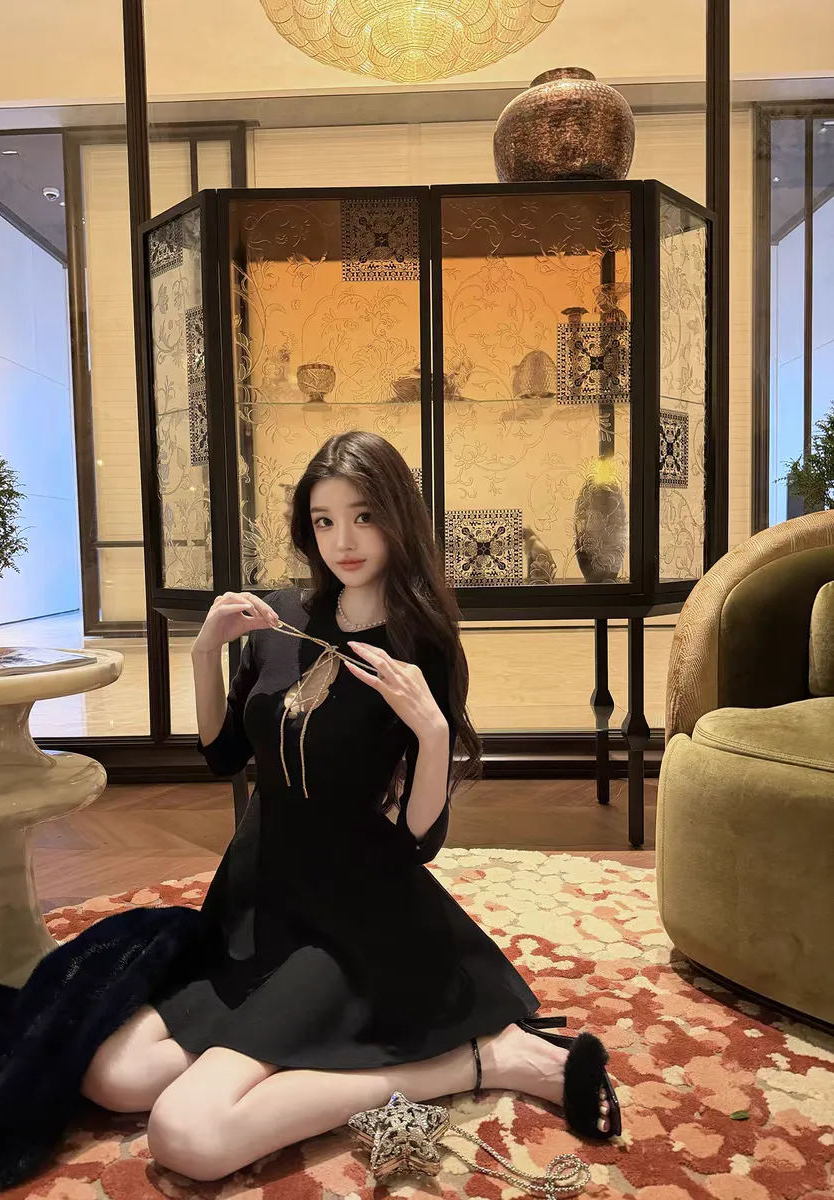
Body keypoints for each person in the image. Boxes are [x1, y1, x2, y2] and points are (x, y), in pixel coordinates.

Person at [80, 430, 621, 1182]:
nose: (343, 541)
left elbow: (417, 841)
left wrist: (433, 732)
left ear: (397, 518)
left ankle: (481, 1060)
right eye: (325, 520)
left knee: (187, 1135)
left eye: (363, 516)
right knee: (113, 1078)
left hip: (352, 916)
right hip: (260, 900)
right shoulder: (277, 620)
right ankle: (294, 1051)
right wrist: (205, 653)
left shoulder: (419, 644)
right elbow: (224, 755)